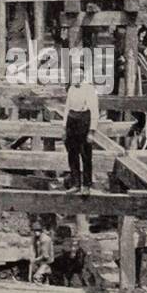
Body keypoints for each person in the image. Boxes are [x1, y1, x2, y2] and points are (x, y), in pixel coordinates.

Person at [63, 60, 98, 195]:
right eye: (74, 75)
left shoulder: (89, 89)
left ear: (83, 76)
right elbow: (67, 109)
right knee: (72, 154)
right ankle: (75, 183)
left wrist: (91, 131)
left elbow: (94, 111)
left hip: (84, 121)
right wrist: (64, 128)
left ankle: (86, 185)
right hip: (72, 122)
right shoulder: (71, 88)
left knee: (85, 155)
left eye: (79, 75)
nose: (76, 78)